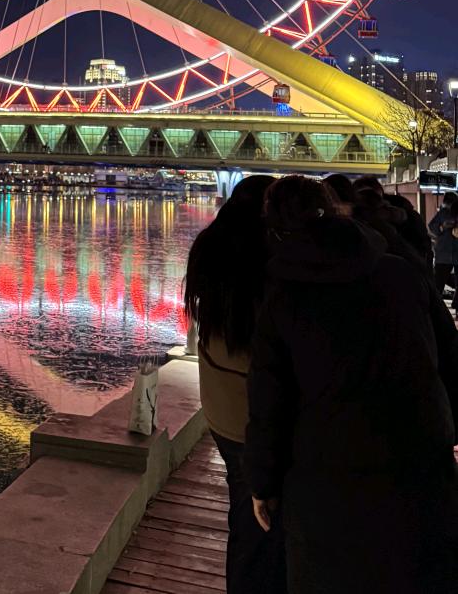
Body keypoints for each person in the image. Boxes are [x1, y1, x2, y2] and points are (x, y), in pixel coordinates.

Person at [246, 175, 458, 593]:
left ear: (275, 230)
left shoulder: (283, 298)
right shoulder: (400, 271)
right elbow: (448, 356)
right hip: (418, 465)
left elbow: (269, 404)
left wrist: (263, 483)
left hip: (325, 482)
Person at [183, 174, 285, 594]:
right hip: (261, 413)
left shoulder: (209, 251)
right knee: (265, 522)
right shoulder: (273, 260)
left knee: (244, 513)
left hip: (222, 410)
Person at [430, 191, 458, 311]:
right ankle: (435, 308)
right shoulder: (442, 214)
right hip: (444, 254)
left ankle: (456, 306)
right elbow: (432, 226)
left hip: (456, 254)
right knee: (439, 282)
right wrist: (443, 227)